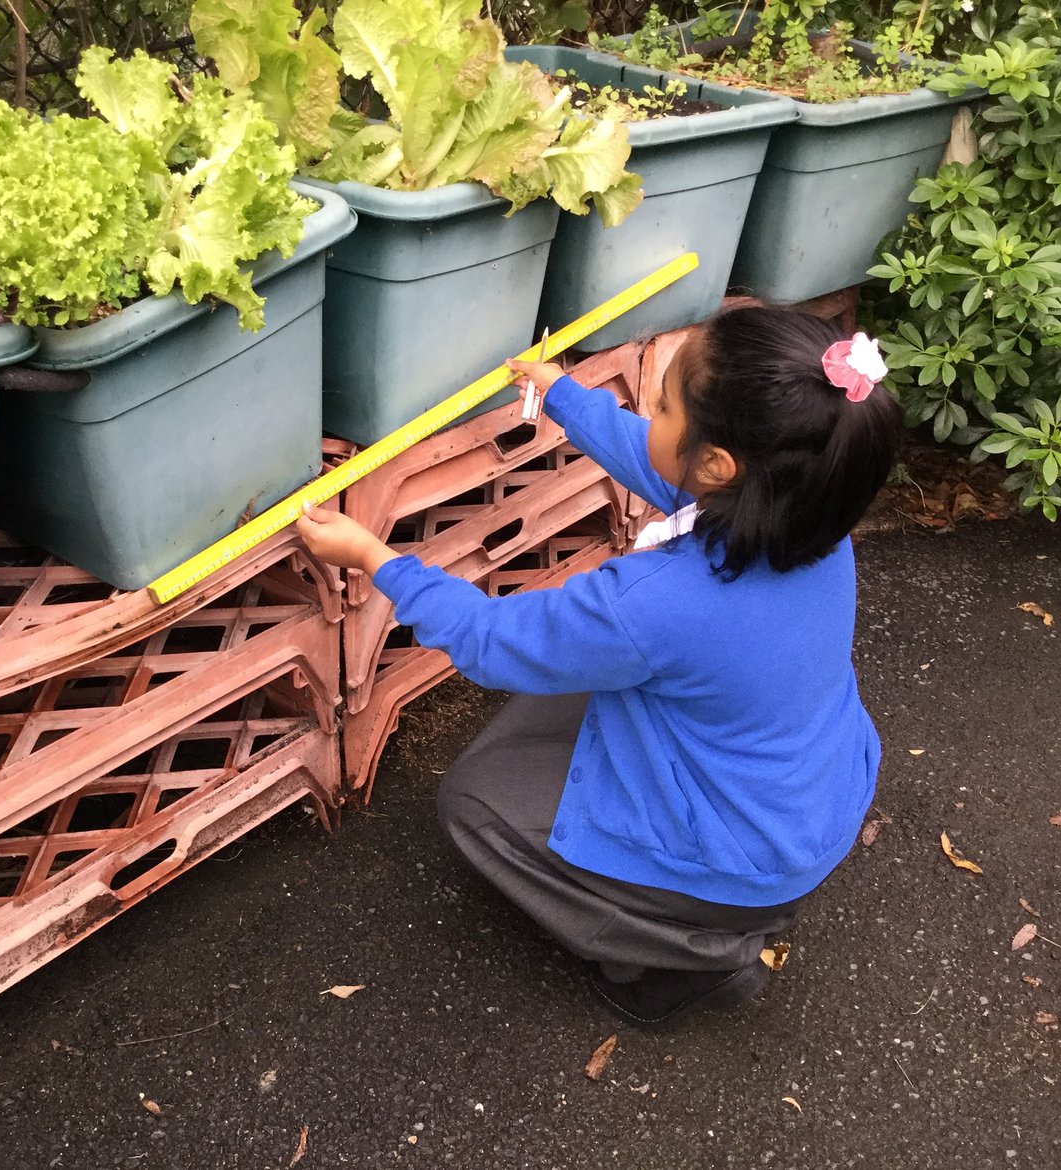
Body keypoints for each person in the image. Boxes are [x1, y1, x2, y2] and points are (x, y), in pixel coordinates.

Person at [295, 305, 904, 1030]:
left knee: (474, 803)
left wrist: (374, 559)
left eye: (664, 406)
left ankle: (692, 954)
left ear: (717, 465)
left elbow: (490, 640)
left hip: (745, 857)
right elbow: (659, 459)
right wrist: (562, 396)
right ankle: (714, 902)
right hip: (809, 800)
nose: (650, 415)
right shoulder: (806, 518)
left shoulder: (655, 605)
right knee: (570, 699)